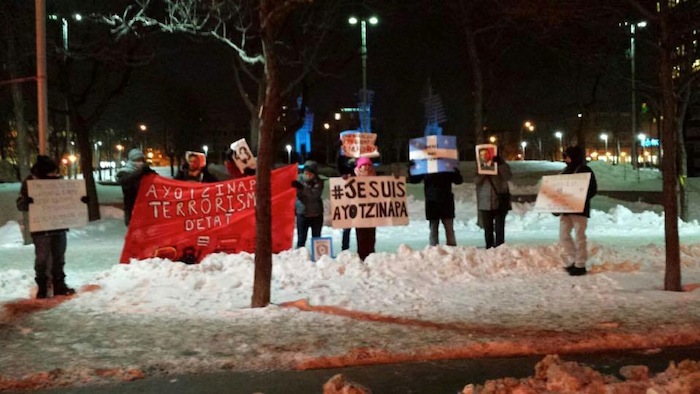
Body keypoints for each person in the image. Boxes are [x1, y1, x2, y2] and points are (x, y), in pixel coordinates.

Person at [16, 155, 85, 298]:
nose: (54, 174)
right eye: (51, 172)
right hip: (41, 229)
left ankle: (59, 285)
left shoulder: (57, 183)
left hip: (58, 227)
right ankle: (43, 287)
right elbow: (20, 204)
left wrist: (81, 200)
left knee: (59, 257)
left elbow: (68, 199)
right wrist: (27, 202)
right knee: (42, 259)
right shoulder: (30, 183)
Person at [559, 146, 597, 276]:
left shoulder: (585, 170)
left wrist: (580, 198)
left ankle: (580, 264)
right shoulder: (565, 171)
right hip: (566, 209)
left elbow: (592, 190)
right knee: (564, 235)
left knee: (580, 236)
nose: (565, 159)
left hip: (579, 209)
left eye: (567, 156)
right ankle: (572, 261)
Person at [408, 164, 463, 246]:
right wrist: (412, 168)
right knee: (435, 229)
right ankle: (435, 250)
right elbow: (414, 180)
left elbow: (458, 180)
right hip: (433, 202)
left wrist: (455, 170)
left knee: (448, 229)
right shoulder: (427, 167)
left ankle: (450, 250)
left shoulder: (446, 167)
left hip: (444, 201)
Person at [475, 154, 512, 248]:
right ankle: (489, 247)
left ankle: (500, 247)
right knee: (488, 228)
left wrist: (500, 165)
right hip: (485, 201)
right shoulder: (480, 166)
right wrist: (484, 171)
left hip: (499, 200)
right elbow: (476, 181)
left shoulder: (502, 165)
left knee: (500, 227)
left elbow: (508, 176)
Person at [116, 148, 155, 226]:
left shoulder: (145, 172)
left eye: (141, 160)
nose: (140, 163)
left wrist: (149, 172)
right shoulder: (123, 172)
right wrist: (140, 172)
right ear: (131, 161)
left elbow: (157, 180)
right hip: (132, 210)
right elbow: (125, 181)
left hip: (145, 210)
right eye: (137, 160)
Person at [292, 160, 324, 249]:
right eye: (306, 173)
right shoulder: (298, 179)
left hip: (316, 214)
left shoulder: (319, 182)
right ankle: (300, 257)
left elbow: (314, 195)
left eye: (310, 173)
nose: (307, 175)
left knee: (317, 239)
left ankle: (318, 259)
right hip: (302, 213)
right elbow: (293, 193)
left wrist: (302, 188)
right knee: (301, 238)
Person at [354, 157, 376, 260]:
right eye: (363, 165)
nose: (366, 167)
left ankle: (371, 257)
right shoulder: (353, 179)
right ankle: (362, 257)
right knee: (361, 237)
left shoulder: (377, 179)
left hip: (372, 213)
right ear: (359, 167)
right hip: (359, 213)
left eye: (368, 165)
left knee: (371, 237)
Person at [336, 147, 356, 251]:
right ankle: (345, 249)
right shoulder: (341, 159)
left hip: (359, 201)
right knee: (347, 227)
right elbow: (339, 167)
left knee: (361, 228)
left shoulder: (358, 159)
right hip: (347, 200)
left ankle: (363, 249)